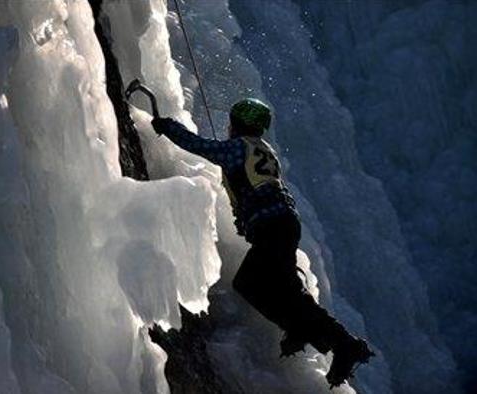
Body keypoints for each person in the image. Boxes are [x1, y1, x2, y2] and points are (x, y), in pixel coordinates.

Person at [151, 98, 374, 388]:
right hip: (284, 223)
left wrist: (167, 126)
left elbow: (203, 147)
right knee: (286, 288)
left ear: (238, 124)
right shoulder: (264, 151)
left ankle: (340, 342)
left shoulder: (238, 147)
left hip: (271, 226)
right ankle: (315, 334)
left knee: (250, 283)